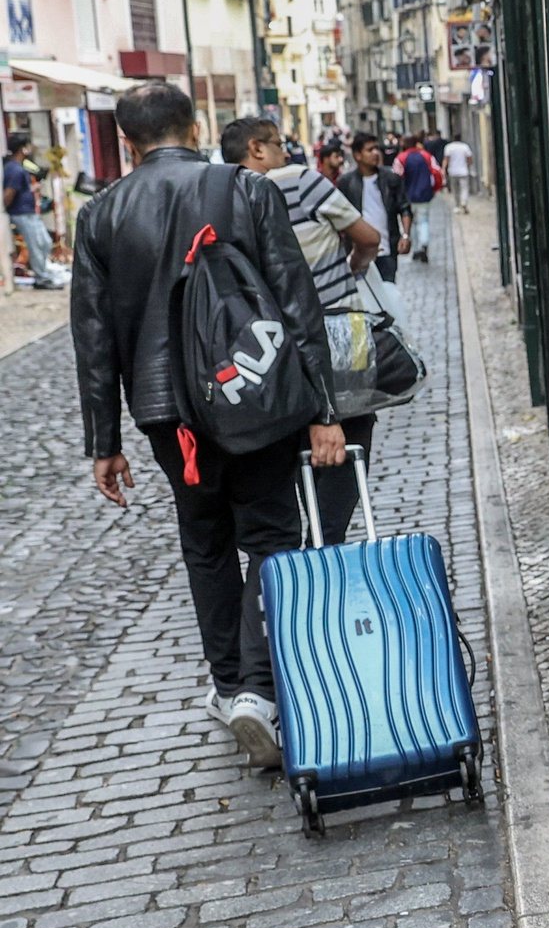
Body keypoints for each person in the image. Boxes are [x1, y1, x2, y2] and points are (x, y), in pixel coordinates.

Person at [70, 83, 345, 768]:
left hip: (168, 413)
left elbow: (93, 339)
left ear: (127, 141)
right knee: (275, 533)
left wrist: (103, 442)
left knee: (205, 541)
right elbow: (295, 299)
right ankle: (259, 687)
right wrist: (323, 409)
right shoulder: (246, 189)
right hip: (250, 390)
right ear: (196, 125)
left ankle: (228, 685)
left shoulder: (100, 215)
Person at [221, 117, 382, 547]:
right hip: (336, 329)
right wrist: (350, 272)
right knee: (349, 441)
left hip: (265, 347)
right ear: (256, 149)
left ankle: (304, 550)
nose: (284, 153)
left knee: (289, 454)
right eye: (277, 145)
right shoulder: (300, 181)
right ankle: (329, 545)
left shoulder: (222, 196)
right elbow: (368, 238)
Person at [337, 132, 411, 282]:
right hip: (358, 253)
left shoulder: (391, 178)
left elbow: (404, 207)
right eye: (370, 150)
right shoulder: (346, 182)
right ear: (357, 155)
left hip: (387, 249)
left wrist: (405, 235)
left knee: (388, 291)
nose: (376, 153)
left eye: (377, 148)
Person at [4, 132, 60, 289]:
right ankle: (42, 278)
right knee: (36, 244)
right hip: (22, 214)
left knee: (44, 243)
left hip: (28, 212)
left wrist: (31, 189)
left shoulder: (17, 168)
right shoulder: (15, 169)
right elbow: (9, 193)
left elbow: (18, 190)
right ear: (23, 149)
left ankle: (44, 273)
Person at [395, 134, 440, 264]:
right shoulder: (426, 156)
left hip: (408, 197)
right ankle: (424, 244)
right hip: (424, 195)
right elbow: (436, 172)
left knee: (411, 223)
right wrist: (434, 189)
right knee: (423, 220)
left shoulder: (401, 158)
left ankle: (415, 249)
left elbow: (396, 178)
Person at [443, 134, 474, 212]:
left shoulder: (449, 147)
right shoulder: (465, 146)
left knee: (455, 189)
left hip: (453, 171)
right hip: (463, 171)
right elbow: (469, 158)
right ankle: (464, 202)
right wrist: (468, 165)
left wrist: (443, 168)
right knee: (464, 188)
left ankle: (457, 205)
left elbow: (446, 159)